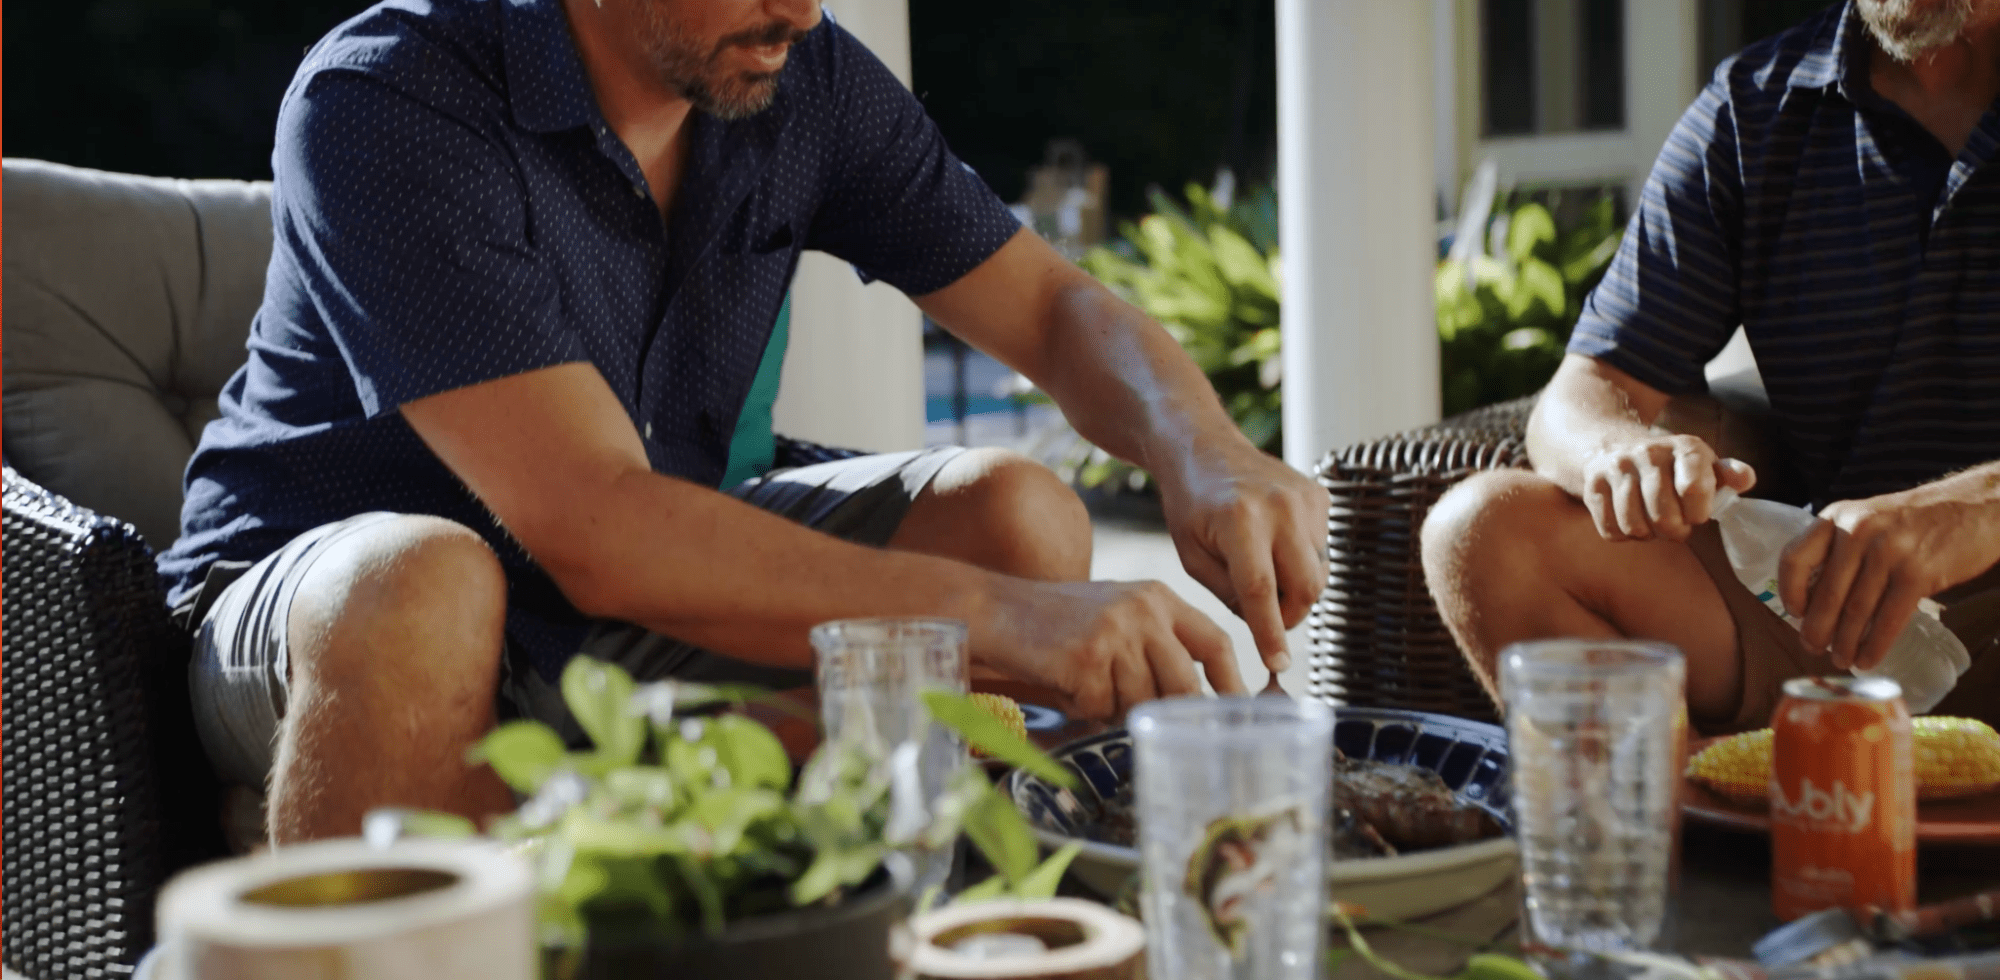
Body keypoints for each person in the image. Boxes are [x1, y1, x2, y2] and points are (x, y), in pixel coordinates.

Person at [159, 0, 1331, 844]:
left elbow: (1055, 307)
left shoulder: (791, 80)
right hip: (333, 620)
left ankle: (829, 903)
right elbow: (597, 525)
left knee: (1015, 512)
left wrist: (1205, 450)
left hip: (617, 598)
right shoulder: (390, 97)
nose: (803, 12)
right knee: (423, 583)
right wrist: (1014, 624)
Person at [1423, 0, 2000, 735]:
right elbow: (1584, 392)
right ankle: (1684, 837)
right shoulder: (1753, 109)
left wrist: (1979, 510)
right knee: (1485, 534)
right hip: (1843, 631)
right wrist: (1622, 457)